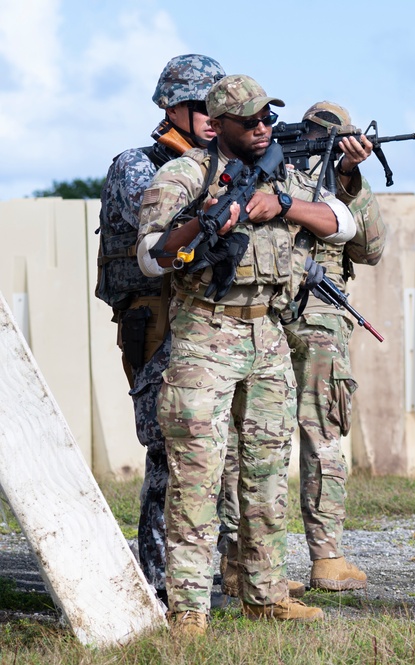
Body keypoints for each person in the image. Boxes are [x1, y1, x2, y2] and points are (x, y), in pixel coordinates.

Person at [136, 74, 357, 636]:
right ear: (220, 126)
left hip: (268, 338)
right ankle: (188, 610)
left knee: (264, 474)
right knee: (198, 477)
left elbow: (342, 223)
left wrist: (280, 205)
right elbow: (151, 256)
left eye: (266, 120)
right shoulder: (182, 176)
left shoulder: (284, 173)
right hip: (205, 337)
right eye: (250, 122)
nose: (263, 130)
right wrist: (211, 219)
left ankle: (265, 594)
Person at [217, 101, 384, 594]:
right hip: (283, 312)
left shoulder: (332, 177)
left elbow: (370, 247)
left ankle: (254, 561)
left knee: (264, 434)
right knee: (307, 434)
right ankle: (312, 558)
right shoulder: (269, 168)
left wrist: (350, 180)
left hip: (294, 312)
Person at [95, 53, 225, 602]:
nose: (216, 117)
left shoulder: (216, 163)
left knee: (213, 449)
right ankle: (157, 574)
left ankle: (211, 570)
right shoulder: (138, 164)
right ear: (174, 107)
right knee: (169, 452)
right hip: (153, 318)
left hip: (200, 320)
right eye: (204, 106)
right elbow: (169, 230)